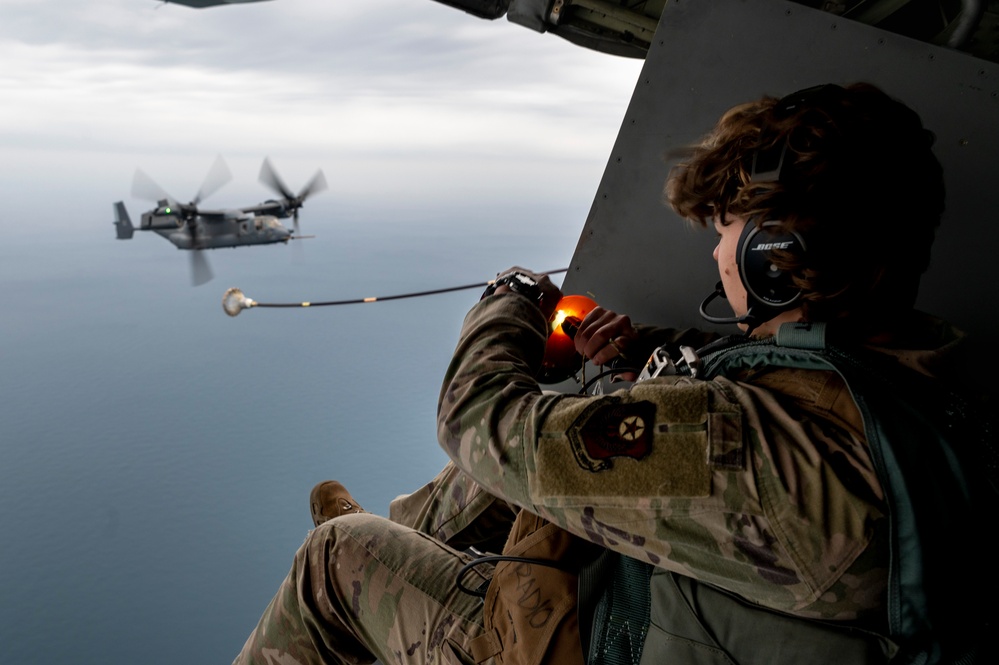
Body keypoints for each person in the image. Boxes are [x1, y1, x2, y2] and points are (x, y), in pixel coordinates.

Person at [233, 83, 993, 665]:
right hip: (686, 613)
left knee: (337, 558)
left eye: (727, 229)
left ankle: (366, 558)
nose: (717, 251)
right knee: (540, 451)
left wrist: (510, 301)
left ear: (774, 254)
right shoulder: (906, 381)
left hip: (595, 641)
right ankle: (410, 532)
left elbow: (478, 418)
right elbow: (767, 378)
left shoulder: (744, 450)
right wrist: (634, 357)